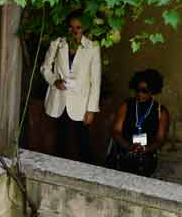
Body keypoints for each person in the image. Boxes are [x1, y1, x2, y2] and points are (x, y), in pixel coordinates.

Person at [41, 15, 102, 164]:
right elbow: (45, 68)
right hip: (60, 100)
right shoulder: (57, 43)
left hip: (81, 103)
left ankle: (86, 174)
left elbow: (96, 80)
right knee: (61, 140)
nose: (74, 31)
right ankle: (60, 170)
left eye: (78, 28)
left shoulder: (92, 47)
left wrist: (91, 109)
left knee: (83, 142)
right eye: (71, 27)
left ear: (84, 29)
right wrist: (55, 81)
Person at [108, 68, 172, 176]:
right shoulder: (127, 105)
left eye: (144, 91)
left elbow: (160, 139)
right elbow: (116, 131)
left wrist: (145, 149)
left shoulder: (161, 111)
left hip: (146, 155)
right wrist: (128, 146)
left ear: (152, 91)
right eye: (137, 90)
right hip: (124, 150)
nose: (140, 94)